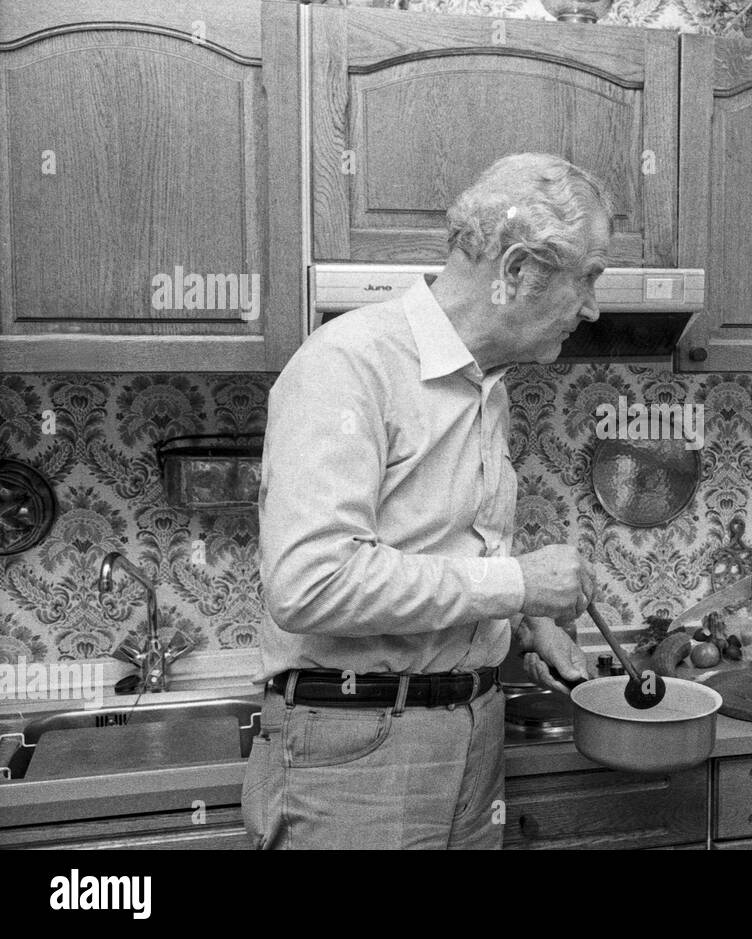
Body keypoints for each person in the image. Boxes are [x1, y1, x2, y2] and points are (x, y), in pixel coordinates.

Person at [242, 153, 612, 849]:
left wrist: (527, 621)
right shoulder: (348, 365)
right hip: (358, 751)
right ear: (518, 271)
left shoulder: (485, 385)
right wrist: (518, 581)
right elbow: (310, 581)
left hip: (473, 740)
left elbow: (433, 553)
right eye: (586, 277)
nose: (592, 307)